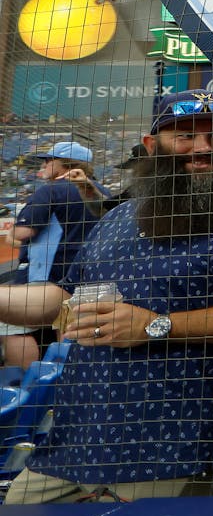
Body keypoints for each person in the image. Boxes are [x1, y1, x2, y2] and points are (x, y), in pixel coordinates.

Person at [0, 91, 213, 504]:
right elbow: (61, 299)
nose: (203, 148)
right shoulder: (120, 217)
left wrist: (157, 325)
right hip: (72, 443)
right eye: (185, 135)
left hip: (168, 449)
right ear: (152, 145)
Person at [3, 142, 108, 370]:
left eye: (50, 160)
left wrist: (12, 234)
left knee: (14, 329)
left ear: (64, 164)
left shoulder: (51, 190)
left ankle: (24, 385)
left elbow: (24, 232)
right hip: (91, 274)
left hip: (49, 278)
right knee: (70, 329)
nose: (45, 164)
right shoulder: (103, 192)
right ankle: (63, 381)